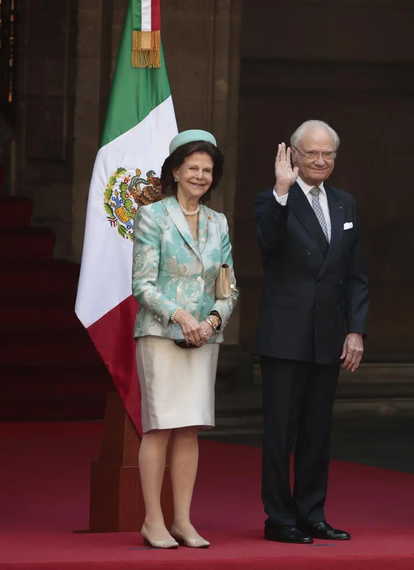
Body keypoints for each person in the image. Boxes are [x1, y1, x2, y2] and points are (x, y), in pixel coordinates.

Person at [254, 120, 369, 544]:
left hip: (329, 333)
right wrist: (282, 193)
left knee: (318, 432)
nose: (320, 161)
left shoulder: (345, 203)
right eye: (311, 153)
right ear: (293, 157)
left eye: (328, 154)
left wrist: (355, 330)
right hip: (285, 334)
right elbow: (267, 243)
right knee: (280, 432)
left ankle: (312, 513)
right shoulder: (271, 199)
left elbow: (355, 274)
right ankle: (278, 518)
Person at [132, 129, 239, 549]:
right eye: (192, 167)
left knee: (190, 428)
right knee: (159, 428)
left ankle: (183, 520)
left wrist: (211, 321)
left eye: (207, 170)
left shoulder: (218, 222)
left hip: (204, 338)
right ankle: (152, 521)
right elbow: (141, 283)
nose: (200, 175)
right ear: (175, 171)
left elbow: (228, 285)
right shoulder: (152, 216)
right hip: (161, 334)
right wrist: (180, 316)